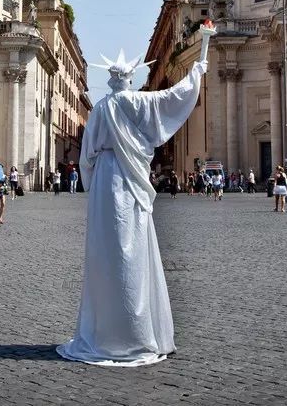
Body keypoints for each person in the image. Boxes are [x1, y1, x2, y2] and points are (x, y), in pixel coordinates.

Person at [57, 47, 208, 366]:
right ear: (130, 78)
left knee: (106, 253)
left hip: (106, 183)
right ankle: (140, 332)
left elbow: (87, 156)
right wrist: (195, 73)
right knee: (135, 252)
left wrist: (91, 178)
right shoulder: (139, 102)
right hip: (132, 180)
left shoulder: (99, 109)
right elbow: (171, 98)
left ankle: (105, 332)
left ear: (111, 79)